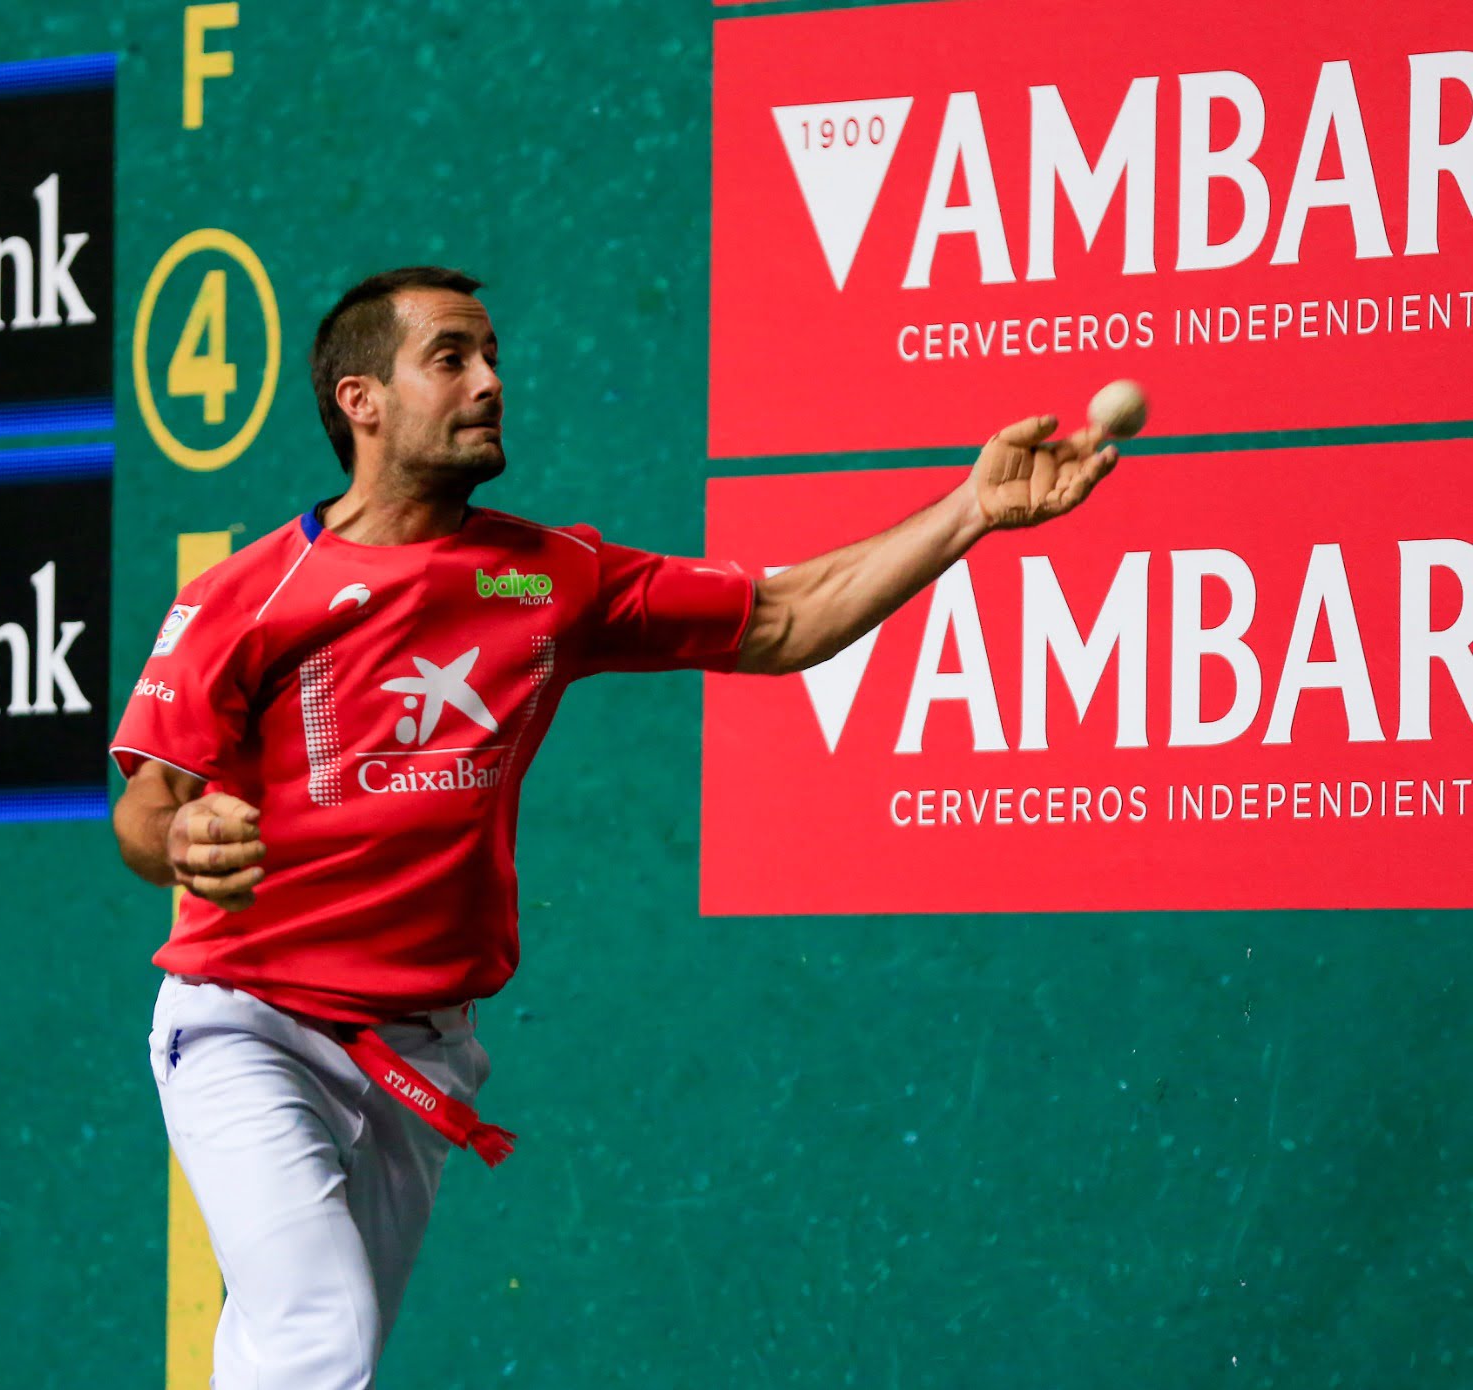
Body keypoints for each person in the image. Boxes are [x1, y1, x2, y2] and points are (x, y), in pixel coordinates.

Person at [109, 265, 1118, 1388]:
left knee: (300, 1354)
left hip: (417, 1048)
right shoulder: (249, 593)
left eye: (492, 356)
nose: (489, 381)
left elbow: (784, 619)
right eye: (450, 358)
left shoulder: (549, 576)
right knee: (317, 1337)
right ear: (362, 401)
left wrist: (971, 511)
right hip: (247, 1022)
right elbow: (145, 804)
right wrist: (180, 839)